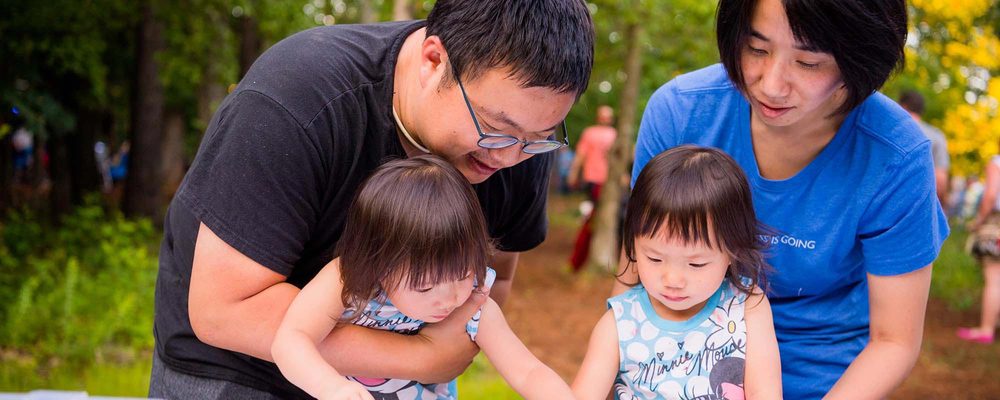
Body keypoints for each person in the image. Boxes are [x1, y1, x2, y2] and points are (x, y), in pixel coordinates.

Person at [148, 1, 594, 398]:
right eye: (495, 127)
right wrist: (422, 358)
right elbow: (225, 311)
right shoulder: (299, 100)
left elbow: (498, 284)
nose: (509, 156)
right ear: (434, 60)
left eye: (538, 138)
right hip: (240, 371)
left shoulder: (520, 143)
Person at [621, 0, 949, 398]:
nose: (771, 84)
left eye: (808, 62)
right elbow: (635, 278)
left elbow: (894, 341)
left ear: (859, 60)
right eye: (757, 49)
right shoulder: (681, 113)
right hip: (680, 369)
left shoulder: (895, 158)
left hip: (821, 380)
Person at [272, 155, 574, 400]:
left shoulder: (473, 303)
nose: (449, 297)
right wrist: (331, 388)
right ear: (379, 263)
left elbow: (527, 371)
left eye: (462, 273)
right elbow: (291, 340)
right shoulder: (347, 280)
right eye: (424, 285)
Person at [573, 146, 781, 400]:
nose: (672, 280)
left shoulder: (747, 305)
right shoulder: (620, 323)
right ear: (633, 246)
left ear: (732, 251)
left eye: (696, 264)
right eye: (655, 258)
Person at [567, 105, 618, 271]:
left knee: (597, 218)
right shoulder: (593, 133)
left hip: (607, 183)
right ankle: (580, 257)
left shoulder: (613, 134)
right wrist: (573, 174)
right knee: (592, 218)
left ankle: (582, 256)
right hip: (594, 181)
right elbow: (581, 156)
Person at [958, 146, 1000, 344]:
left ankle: (986, 329)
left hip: (996, 226)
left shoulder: (996, 162)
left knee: (994, 278)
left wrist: (978, 221)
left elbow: (990, 196)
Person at [899, 90, 951, 209]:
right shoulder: (936, 136)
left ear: (903, 106)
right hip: (920, 207)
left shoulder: (892, 131)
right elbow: (940, 180)